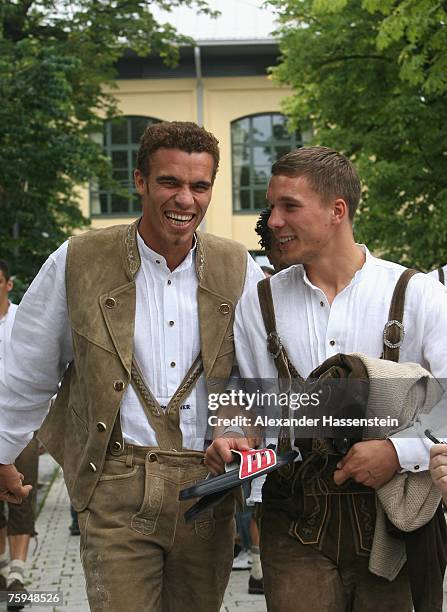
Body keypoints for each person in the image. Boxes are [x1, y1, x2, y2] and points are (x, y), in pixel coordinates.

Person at [0, 121, 263, 612]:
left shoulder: (241, 268)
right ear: (140, 181)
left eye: (199, 186)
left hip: (208, 489)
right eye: (170, 182)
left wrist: (238, 427)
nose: (185, 199)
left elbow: (256, 379)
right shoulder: (78, 259)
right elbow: (28, 369)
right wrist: (3, 452)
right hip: (115, 482)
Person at [206, 146, 447, 612]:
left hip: (391, 519)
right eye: (271, 205)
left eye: (289, 206)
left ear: (338, 211)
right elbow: (245, 399)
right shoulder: (258, 301)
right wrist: (231, 433)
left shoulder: (417, 295)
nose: (273, 220)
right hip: (290, 514)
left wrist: (398, 451)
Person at [0, 260, 39, 608]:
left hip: (21, 425)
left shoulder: (21, 321)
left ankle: (17, 573)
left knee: (22, 495)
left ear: (8, 284)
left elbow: (41, 369)